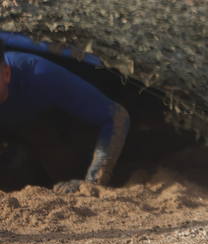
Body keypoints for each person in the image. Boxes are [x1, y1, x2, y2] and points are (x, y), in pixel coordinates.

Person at [0, 44, 129, 191]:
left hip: (58, 127)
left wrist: (93, 182)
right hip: (20, 132)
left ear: (6, 74)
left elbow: (116, 117)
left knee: (41, 134)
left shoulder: (39, 75)